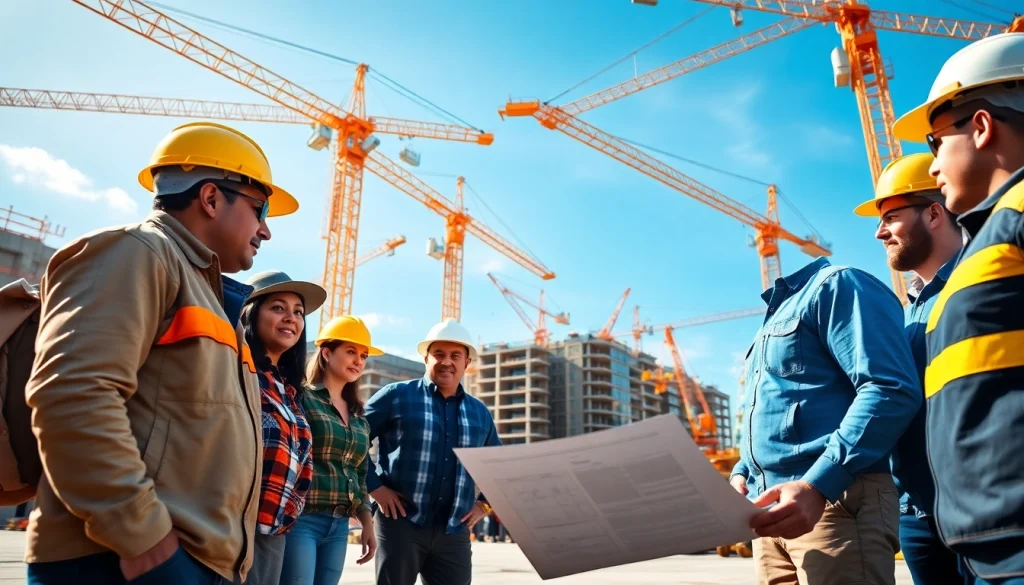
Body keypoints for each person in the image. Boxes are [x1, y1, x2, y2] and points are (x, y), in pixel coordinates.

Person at [23, 121, 299, 585]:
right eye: (259, 208)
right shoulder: (138, 252)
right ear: (211, 199)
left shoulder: (211, 298)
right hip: (120, 561)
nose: (265, 230)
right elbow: (72, 394)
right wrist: (147, 544)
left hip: (183, 560)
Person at [892, 31, 1024, 584]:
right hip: (990, 543)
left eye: (933, 142)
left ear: (981, 127)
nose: (932, 164)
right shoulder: (990, 239)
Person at [729, 256, 921, 585]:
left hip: (834, 501)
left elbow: (889, 388)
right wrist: (742, 471)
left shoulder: (837, 284)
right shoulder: (770, 322)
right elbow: (771, 408)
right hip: (770, 510)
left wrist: (819, 485)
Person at [854, 152, 968, 585]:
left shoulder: (980, 282)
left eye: (892, 216)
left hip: (978, 506)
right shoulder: (905, 311)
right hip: (918, 512)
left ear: (935, 212)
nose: (880, 232)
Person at [365, 318, 501, 585]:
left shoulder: (479, 412)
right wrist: (375, 488)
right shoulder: (396, 396)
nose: (447, 361)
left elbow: (496, 464)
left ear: (466, 363)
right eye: (438, 354)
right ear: (426, 358)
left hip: (454, 531)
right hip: (400, 525)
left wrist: (484, 504)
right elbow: (352, 439)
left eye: (455, 355)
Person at [280, 315, 381, 585]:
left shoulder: (359, 417)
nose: (359, 360)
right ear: (326, 353)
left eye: (363, 355)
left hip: (339, 526)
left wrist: (367, 522)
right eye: (350, 352)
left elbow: (359, 473)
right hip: (302, 521)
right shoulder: (301, 397)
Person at [241, 270, 324, 585]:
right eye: (278, 307)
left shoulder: (289, 389)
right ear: (251, 313)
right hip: (231, 531)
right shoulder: (236, 368)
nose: (291, 318)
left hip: (272, 535)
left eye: (298, 312)